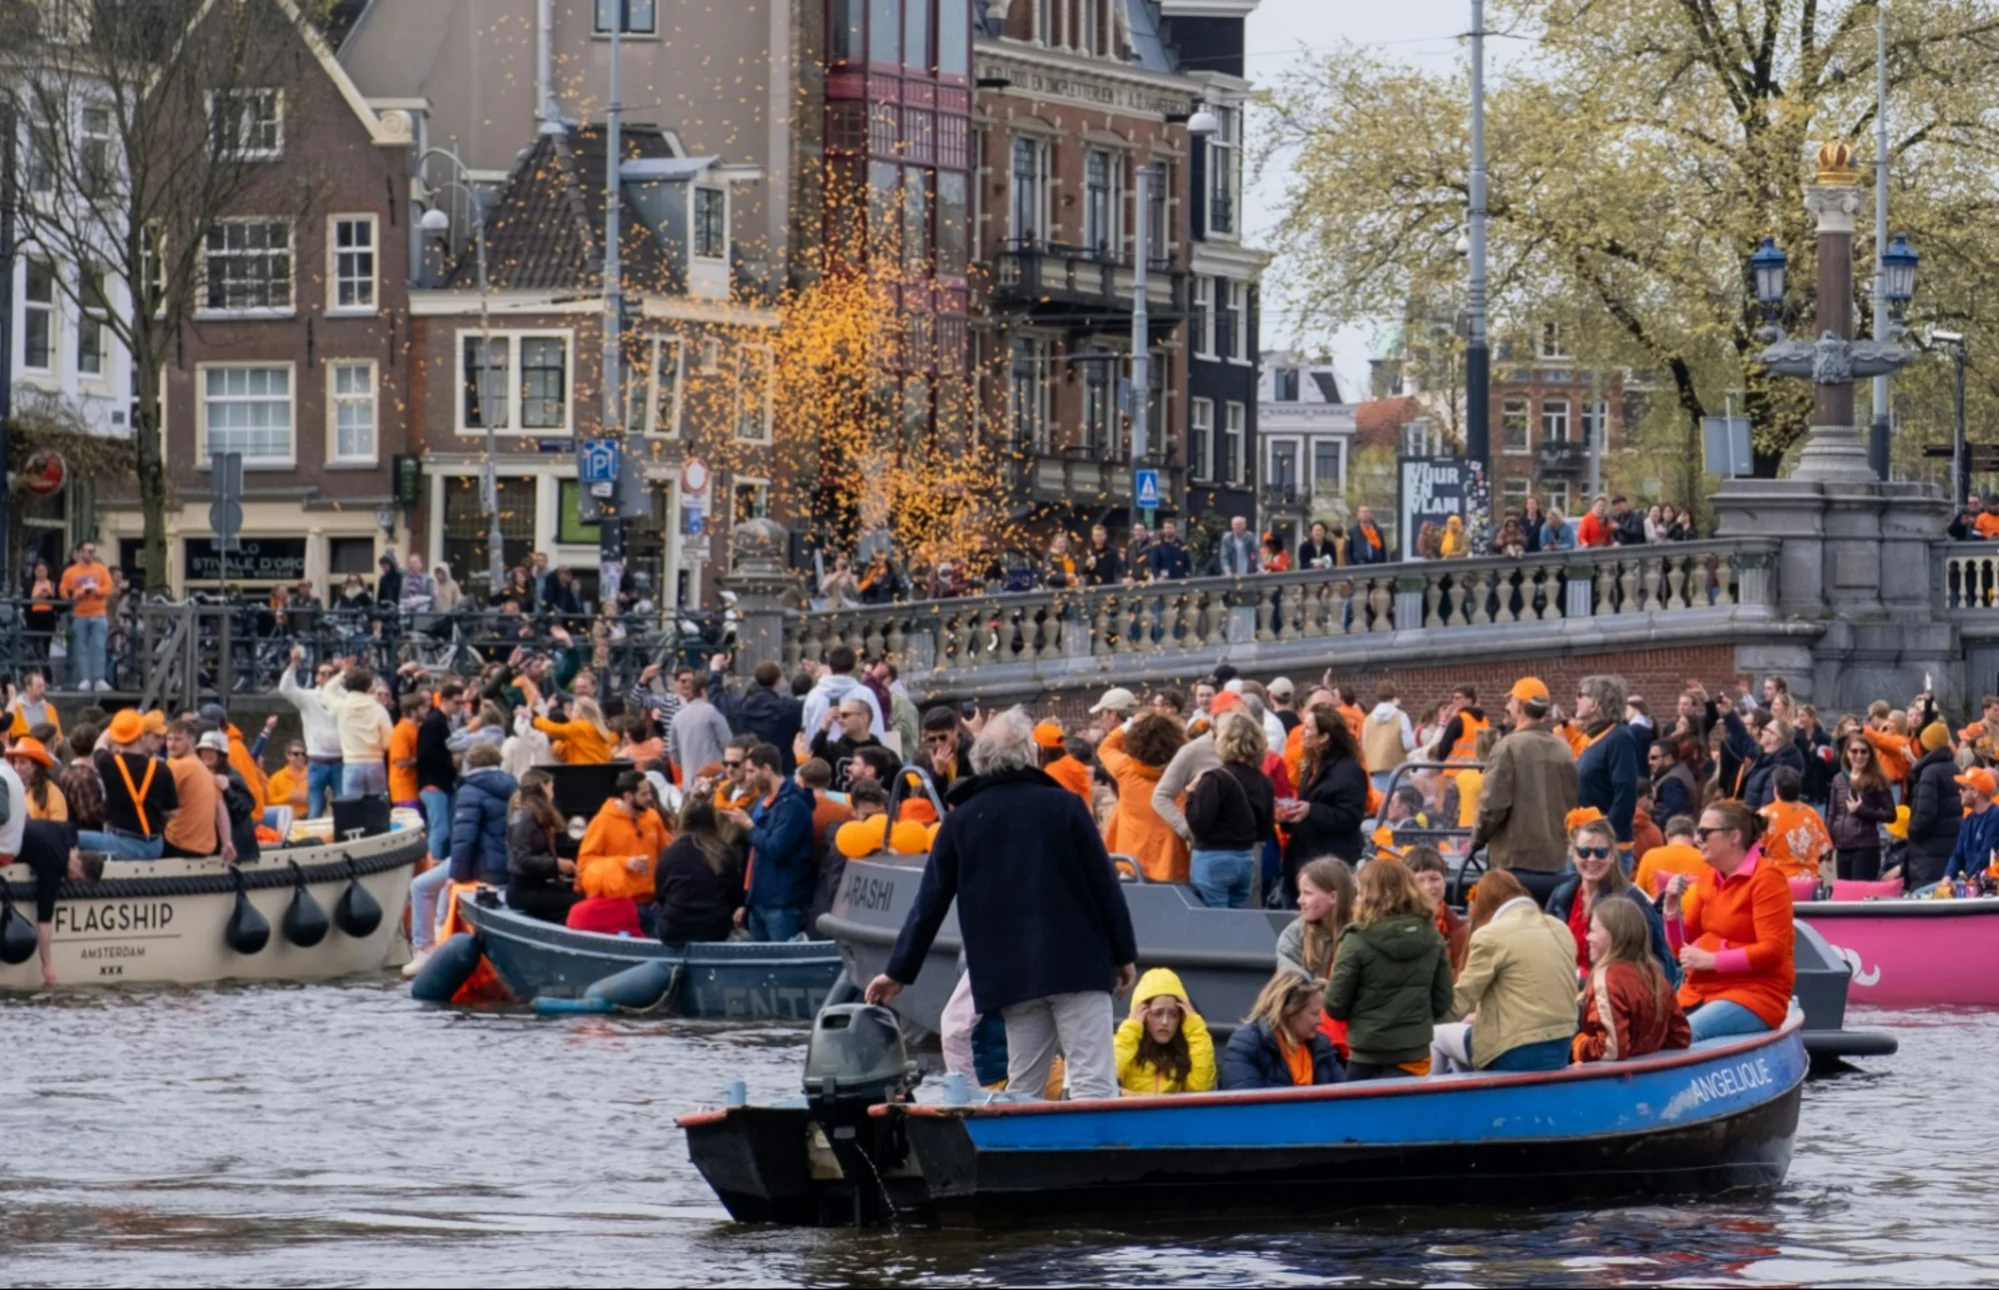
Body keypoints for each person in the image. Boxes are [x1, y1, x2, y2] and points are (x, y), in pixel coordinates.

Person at [868, 709, 1139, 1103]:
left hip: (1011, 974)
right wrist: (1123, 954)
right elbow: (1105, 887)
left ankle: (1022, 1158)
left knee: (1024, 1085)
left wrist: (898, 973)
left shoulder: (961, 822)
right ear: (1028, 754)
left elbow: (929, 903)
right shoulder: (1064, 807)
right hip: (1078, 964)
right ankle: (1096, 1160)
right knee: (1093, 1081)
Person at [1665, 801, 1795, 1041]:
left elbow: (1773, 951)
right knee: (1649, 1032)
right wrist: (1671, 910)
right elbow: (1679, 949)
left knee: (1682, 1034)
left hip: (1755, 995)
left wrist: (1713, 961)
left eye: (1704, 833)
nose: (1697, 839)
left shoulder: (1767, 879)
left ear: (1734, 836)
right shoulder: (1708, 878)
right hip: (1701, 991)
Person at [1431, 869, 1577, 1074]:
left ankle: (1431, 1103)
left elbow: (1459, 1004)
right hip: (1561, 1046)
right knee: (1466, 1036)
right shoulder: (1559, 928)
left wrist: (1417, 1024)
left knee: (1437, 1036)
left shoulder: (1490, 936)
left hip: (1514, 1052)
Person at [1325, 859, 1454, 1080]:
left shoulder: (1356, 940)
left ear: (1368, 895)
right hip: (1415, 1053)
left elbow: (1335, 1005)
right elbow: (1442, 1001)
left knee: (1362, 1113)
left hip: (1366, 1054)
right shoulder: (1432, 937)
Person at [1468, 678, 1578, 895]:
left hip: (1515, 861)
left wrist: (1477, 840)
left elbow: (1493, 806)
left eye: (1511, 702)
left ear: (1519, 707)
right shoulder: (1564, 749)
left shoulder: (1508, 747)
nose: (1507, 707)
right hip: (1556, 862)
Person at [1546, 816, 1676, 983]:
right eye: (1584, 852)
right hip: (1564, 986)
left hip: (1612, 991)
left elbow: (1657, 962)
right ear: (1573, 855)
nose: (1591, 859)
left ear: (1613, 854)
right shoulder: (1560, 895)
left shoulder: (1631, 901)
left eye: (1600, 852)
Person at [1572, 897, 1692, 1063]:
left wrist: (1578, 1044)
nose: (1587, 937)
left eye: (1592, 930)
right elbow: (1680, 1037)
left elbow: (1610, 1049)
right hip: (1648, 1080)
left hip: (1612, 1084)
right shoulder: (1655, 976)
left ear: (1613, 936)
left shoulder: (1606, 978)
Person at [1183, 710, 1275, 908]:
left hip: (1213, 858)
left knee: (1213, 923)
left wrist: (1190, 793)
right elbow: (1265, 830)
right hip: (1245, 859)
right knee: (1237, 923)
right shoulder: (1265, 782)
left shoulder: (1215, 778)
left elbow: (1199, 824)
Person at [1279, 706, 1369, 895]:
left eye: (1309, 727)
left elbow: (1350, 817)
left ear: (1324, 737)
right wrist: (1287, 816)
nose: (1302, 731)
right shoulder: (1312, 766)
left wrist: (1311, 811)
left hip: (1330, 865)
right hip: (1303, 859)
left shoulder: (1348, 772)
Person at [1099, 710, 1191, 884]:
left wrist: (1129, 724)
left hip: (1130, 863)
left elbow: (1106, 747)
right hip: (1171, 866)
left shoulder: (1125, 769)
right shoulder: (1183, 780)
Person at [77, 710, 177, 859]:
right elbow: (172, 812)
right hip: (156, 845)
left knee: (71, 837)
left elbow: (100, 744)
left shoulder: (108, 763)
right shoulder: (162, 768)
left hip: (123, 844)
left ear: (115, 737)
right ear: (141, 735)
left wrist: (114, 728)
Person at [1220, 972, 1344, 1090]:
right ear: (1289, 1012)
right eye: (1315, 1013)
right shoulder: (1246, 1045)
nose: (1321, 1021)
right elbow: (1245, 1104)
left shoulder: (1322, 1048)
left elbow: (1343, 1096)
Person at [1113, 968, 1218, 1096]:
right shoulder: (1126, 1044)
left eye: (1173, 1014)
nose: (1165, 1021)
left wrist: (1195, 1028)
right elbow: (1105, 1078)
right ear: (1142, 1013)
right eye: (1158, 1013)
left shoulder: (1188, 1050)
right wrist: (1131, 1029)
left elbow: (1201, 1089)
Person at [575, 769, 670, 909]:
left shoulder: (653, 817)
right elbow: (584, 865)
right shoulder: (603, 822)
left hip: (653, 903)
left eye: (649, 792)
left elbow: (665, 855)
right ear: (628, 796)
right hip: (620, 904)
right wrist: (625, 863)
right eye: (644, 794)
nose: (650, 798)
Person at [658, 796, 744, 944]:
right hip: (715, 930)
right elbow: (735, 897)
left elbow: (661, 895)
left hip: (674, 930)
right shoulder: (725, 853)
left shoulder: (669, 854)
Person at [503, 769, 580, 926]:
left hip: (538, 885)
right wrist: (556, 864)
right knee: (578, 903)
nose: (553, 792)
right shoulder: (524, 817)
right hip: (523, 891)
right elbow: (522, 859)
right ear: (543, 787)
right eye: (551, 787)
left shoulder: (535, 816)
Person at [707, 654, 804, 774]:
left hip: (751, 770)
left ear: (756, 680)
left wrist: (715, 669)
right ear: (778, 681)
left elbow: (716, 696)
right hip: (782, 769)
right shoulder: (790, 707)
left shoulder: (741, 705)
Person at [1825, 734, 1897, 882]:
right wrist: (1828, 849)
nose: (1859, 756)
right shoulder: (1838, 779)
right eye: (1854, 751)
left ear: (1870, 754)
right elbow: (1832, 814)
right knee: (1844, 897)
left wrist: (1862, 810)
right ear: (1847, 753)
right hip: (1843, 846)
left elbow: (1890, 814)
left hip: (1865, 846)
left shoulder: (1877, 779)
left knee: (1860, 896)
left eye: (1864, 752)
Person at [160, 722, 232, 862]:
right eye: (168, 739)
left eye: (178, 739)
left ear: (192, 741)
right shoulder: (205, 769)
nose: (171, 745)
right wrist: (227, 843)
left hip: (178, 844)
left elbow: (155, 802)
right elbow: (220, 807)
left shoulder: (177, 765)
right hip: (206, 847)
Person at [447, 742, 516, 888]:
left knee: (421, 886)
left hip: (484, 867)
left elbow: (464, 838)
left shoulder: (469, 791)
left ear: (471, 762)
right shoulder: (514, 785)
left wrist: (456, 876)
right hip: (513, 865)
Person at [1903, 721, 1962, 889]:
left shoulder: (1929, 772)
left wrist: (1912, 831)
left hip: (1929, 850)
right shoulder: (1953, 767)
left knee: (1926, 894)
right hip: (1948, 841)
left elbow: (1924, 814)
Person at [1277, 856, 1355, 980]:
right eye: (1300, 893)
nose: (1299, 900)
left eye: (1307, 893)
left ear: (1333, 897)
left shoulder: (1362, 933)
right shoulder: (1295, 934)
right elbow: (1292, 985)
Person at [324, 664, 393, 798]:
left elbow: (327, 690)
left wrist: (342, 673)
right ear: (369, 687)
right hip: (375, 762)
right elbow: (389, 741)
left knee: (353, 809)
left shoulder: (342, 706)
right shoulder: (379, 710)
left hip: (352, 763)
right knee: (376, 809)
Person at [1758, 766, 1833, 883]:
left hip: (1775, 880)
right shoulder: (1811, 814)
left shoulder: (1765, 815)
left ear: (1775, 789)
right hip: (1808, 882)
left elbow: (1755, 851)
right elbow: (1825, 850)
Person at [58, 540, 114, 692]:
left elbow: (109, 588)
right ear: (80, 553)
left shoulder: (101, 570)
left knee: (99, 646)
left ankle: (99, 679)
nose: (91, 554)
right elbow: (63, 591)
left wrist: (97, 591)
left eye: (93, 551)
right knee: (82, 647)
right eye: (88, 551)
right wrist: (78, 593)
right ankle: (85, 678)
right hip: (80, 613)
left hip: (98, 613)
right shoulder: (70, 572)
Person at [1404, 845, 1469, 976]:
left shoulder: (1460, 930)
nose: (1428, 887)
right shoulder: (1396, 926)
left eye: (1434, 879)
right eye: (1419, 881)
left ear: (1444, 880)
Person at [799, 645, 886, 740]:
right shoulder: (865, 694)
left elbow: (806, 731)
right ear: (854, 665)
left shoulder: (813, 695)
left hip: (821, 752)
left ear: (830, 664)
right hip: (857, 752)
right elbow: (876, 728)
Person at [1944, 766, 1999, 884]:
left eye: (1963, 789)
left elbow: (1985, 858)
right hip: (1967, 881)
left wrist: (1962, 882)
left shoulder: (1995, 816)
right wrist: (1947, 877)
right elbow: (1957, 855)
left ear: (1975, 792)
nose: (1960, 792)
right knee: (1919, 894)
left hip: (1984, 885)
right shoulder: (1968, 820)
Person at [1634, 814, 1708, 899]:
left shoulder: (1650, 856)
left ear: (1666, 835)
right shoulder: (1705, 858)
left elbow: (1638, 892)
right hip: (1692, 910)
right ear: (1694, 837)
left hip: (1657, 910)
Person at [1359, 682, 1415, 792]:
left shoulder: (1368, 719)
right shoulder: (1401, 716)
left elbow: (1364, 746)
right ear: (1394, 694)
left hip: (1374, 772)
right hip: (1397, 771)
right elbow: (1408, 744)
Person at [535, 696, 614, 765]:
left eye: (573, 710)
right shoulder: (598, 728)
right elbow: (566, 752)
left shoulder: (580, 727)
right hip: (600, 775)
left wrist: (535, 719)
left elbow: (553, 729)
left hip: (583, 774)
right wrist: (558, 745)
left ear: (580, 713)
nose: (571, 714)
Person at [7, 738, 66, 822]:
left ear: (36, 765)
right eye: (15, 762)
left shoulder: (52, 792)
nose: (17, 767)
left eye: (22, 762)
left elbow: (59, 827)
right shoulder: (13, 788)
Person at [1648, 738, 1698, 824]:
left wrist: (1657, 827)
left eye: (1654, 758)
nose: (1650, 762)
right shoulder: (1680, 770)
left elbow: (1675, 811)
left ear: (1668, 758)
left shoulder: (1672, 782)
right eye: (1649, 758)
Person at [265, 741, 311, 816]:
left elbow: (322, 799)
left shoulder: (312, 775)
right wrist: (288, 797)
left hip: (310, 818)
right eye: (296, 754)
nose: (300, 757)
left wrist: (307, 799)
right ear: (288, 756)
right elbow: (269, 803)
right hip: (286, 820)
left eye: (303, 754)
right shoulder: (276, 777)